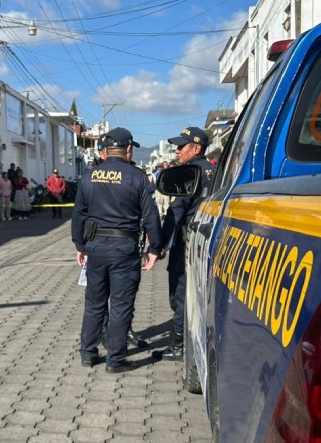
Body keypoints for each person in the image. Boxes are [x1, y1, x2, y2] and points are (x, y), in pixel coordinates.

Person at [72, 127, 162, 374]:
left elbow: (79, 213)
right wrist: (155, 247)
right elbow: (151, 216)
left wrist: (80, 245)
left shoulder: (89, 176)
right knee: (121, 306)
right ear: (129, 149)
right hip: (124, 249)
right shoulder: (137, 177)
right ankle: (115, 360)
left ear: (106, 149)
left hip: (96, 248)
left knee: (94, 304)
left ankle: (88, 354)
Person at [160, 127, 215, 360]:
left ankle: (178, 344)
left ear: (196, 148)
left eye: (181, 146)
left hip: (187, 241)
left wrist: (160, 244)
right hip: (209, 239)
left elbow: (176, 211)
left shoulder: (188, 173)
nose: (177, 150)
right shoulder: (216, 171)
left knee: (179, 293)